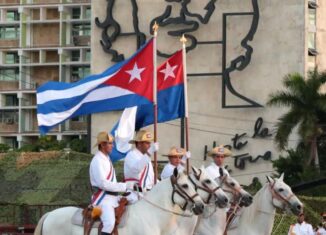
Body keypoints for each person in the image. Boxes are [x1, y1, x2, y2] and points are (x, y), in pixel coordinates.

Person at [89, 131, 132, 235]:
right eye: (110, 143)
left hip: (112, 197)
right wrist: (124, 186)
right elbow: (103, 184)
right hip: (102, 198)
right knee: (109, 223)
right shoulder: (97, 160)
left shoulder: (106, 159)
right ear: (103, 145)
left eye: (112, 143)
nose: (112, 146)